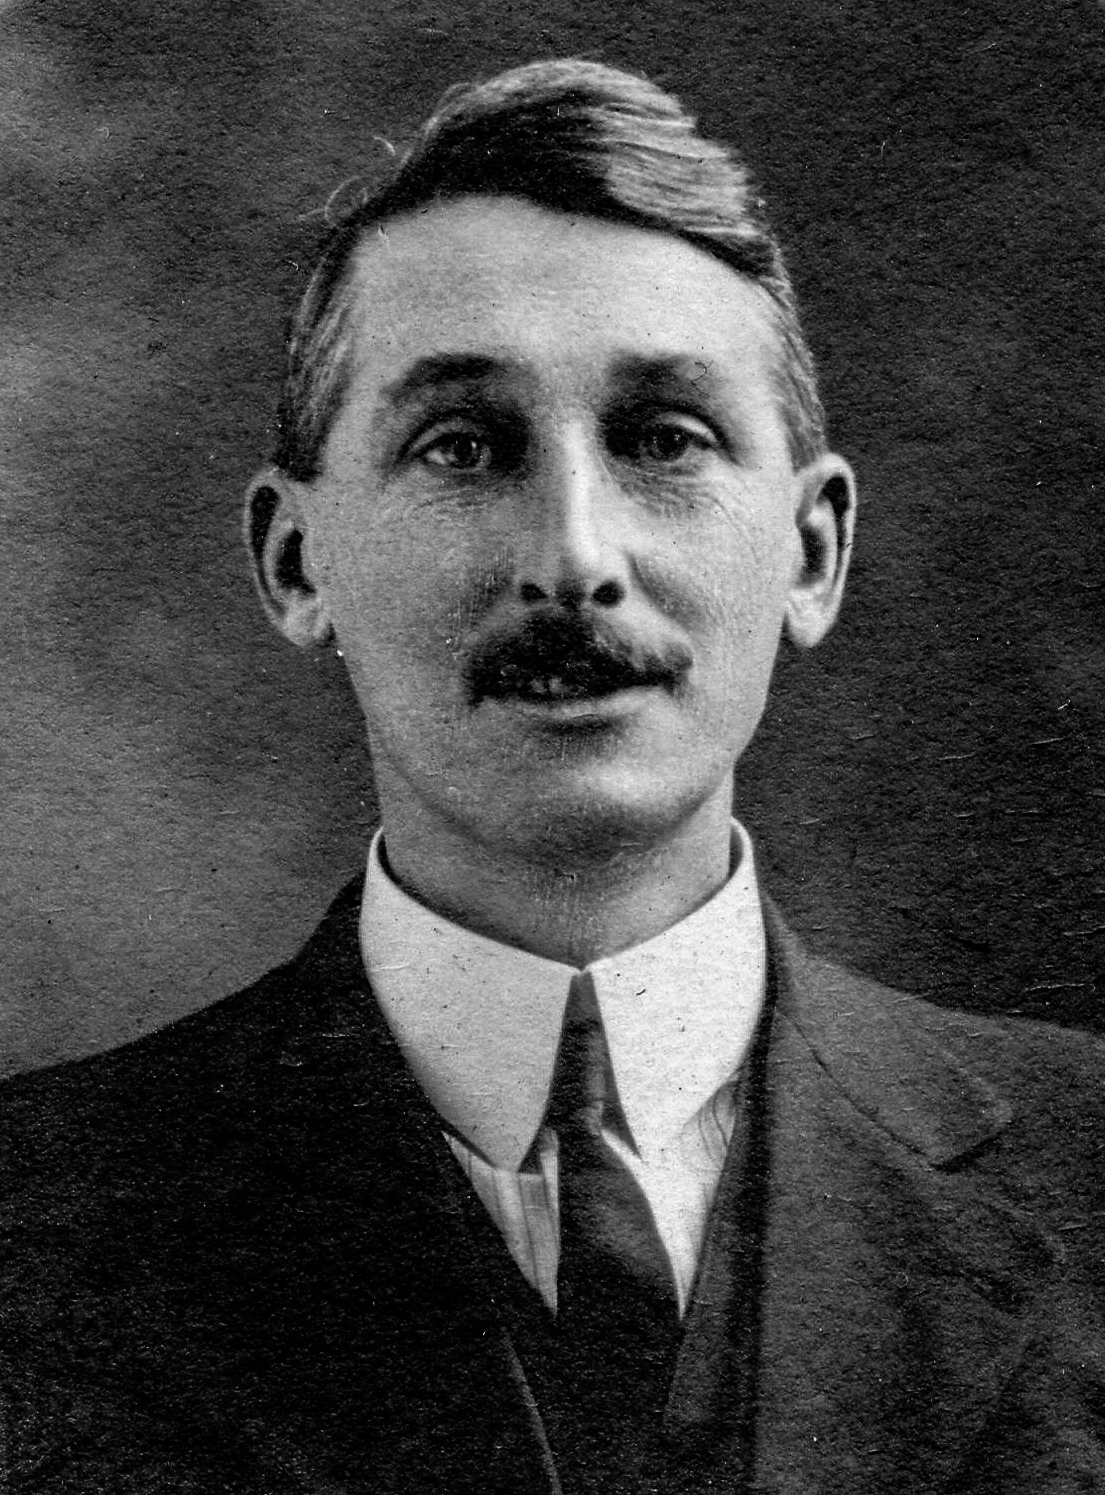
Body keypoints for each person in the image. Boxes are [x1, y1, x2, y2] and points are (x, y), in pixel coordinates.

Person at [3, 58, 1104, 1495]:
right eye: (464, 445)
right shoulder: (38, 1218)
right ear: (295, 561)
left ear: (814, 552)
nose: (575, 558)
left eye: (664, 439)